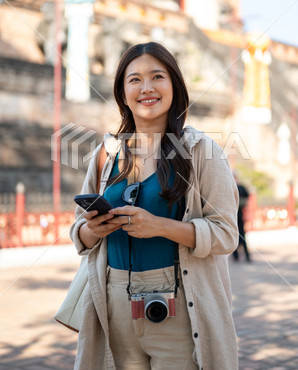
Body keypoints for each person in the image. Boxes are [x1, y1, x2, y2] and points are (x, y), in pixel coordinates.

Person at [70, 42, 239, 370]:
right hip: (112, 305)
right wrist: (91, 230)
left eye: (157, 77)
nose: (146, 88)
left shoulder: (201, 152)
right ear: (122, 92)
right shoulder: (106, 154)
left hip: (180, 307)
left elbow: (226, 235)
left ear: (174, 85)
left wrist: (160, 226)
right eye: (134, 80)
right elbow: (78, 231)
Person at [232, 171, 251, 262]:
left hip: (234, 215)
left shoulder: (231, 187)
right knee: (241, 235)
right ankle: (246, 256)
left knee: (234, 235)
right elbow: (247, 198)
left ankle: (236, 257)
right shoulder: (241, 187)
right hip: (238, 215)